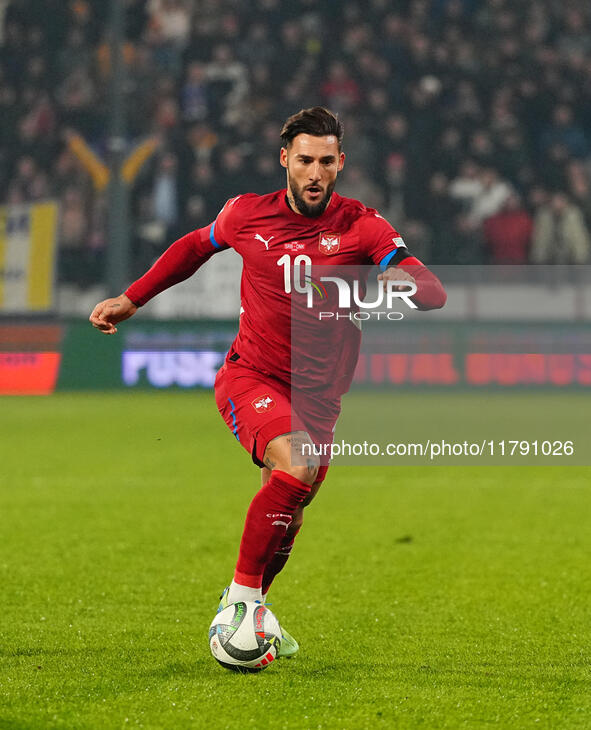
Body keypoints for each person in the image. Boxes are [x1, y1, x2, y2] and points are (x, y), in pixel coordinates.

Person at [89, 107, 446, 661]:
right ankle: (240, 603)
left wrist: (405, 280)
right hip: (251, 375)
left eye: (326, 162)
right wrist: (131, 298)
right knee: (296, 465)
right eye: (305, 159)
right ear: (285, 159)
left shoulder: (362, 225)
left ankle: (252, 610)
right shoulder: (246, 215)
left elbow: (432, 291)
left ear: (340, 164)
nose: (315, 172)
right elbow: (192, 249)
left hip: (321, 396)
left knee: (291, 510)